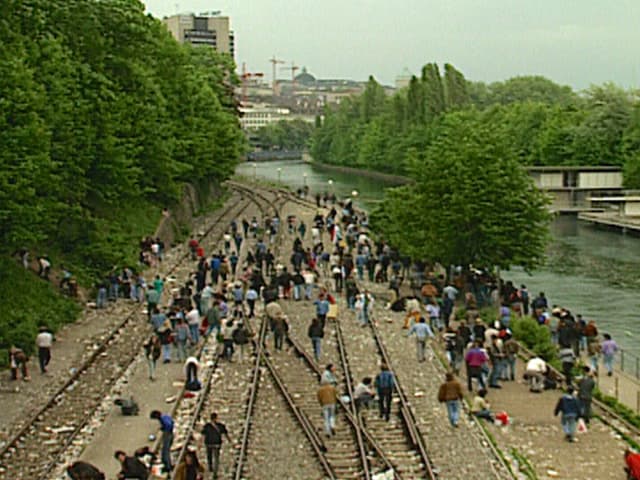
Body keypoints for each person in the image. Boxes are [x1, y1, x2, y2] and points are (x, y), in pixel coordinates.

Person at [201, 412, 231, 478]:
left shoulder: (207, 426)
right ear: (216, 418)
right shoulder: (220, 426)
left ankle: (211, 468)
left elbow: (203, 434)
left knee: (210, 456)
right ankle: (214, 471)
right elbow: (225, 434)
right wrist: (230, 441)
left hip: (208, 444)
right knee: (216, 458)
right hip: (216, 444)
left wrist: (200, 443)